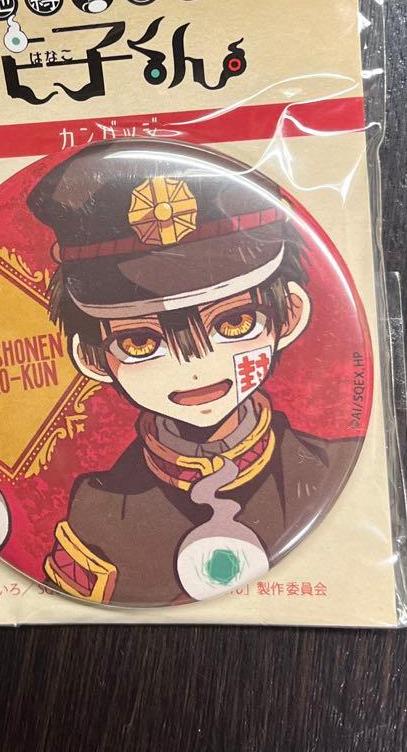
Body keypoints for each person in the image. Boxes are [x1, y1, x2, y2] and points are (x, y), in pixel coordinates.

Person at [27, 139, 362, 605]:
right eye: (140, 342)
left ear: (289, 315)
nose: (194, 367)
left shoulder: (334, 469)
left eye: (235, 323)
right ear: (93, 358)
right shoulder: (99, 511)